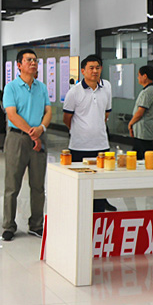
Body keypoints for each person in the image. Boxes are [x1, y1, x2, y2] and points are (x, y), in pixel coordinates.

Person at [1, 49, 51, 241]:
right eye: (29, 60)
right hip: (18, 139)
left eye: (35, 60)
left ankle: (36, 225)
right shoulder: (11, 87)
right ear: (19, 65)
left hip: (39, 137)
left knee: (38, 185)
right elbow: (12, 114)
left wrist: (41, 129)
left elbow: (48, 112)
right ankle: (9, 225)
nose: (33, 63)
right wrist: (33, 135)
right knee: (12, 185)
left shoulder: (42, 87)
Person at [63, 54, 114, 213]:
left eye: (97, 68)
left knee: (100, 186)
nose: (95, 71)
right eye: (91, 68)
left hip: (101, 145)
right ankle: (80, 213)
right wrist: (79, 131)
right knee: (80, 185)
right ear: (83, 71)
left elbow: (106, 113)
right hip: (79, 146)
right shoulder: (74, 92)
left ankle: (99, 215)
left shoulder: (107, 87)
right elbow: (67, 118)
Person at [128, 65, 153, 159]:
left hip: (144, 132)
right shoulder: (148, 90)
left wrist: (130, 123)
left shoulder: (148, 92)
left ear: (145, 76)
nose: (138, 78)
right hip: (142, 131)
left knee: (144, 156)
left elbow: (140, 113)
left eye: (139, 75)